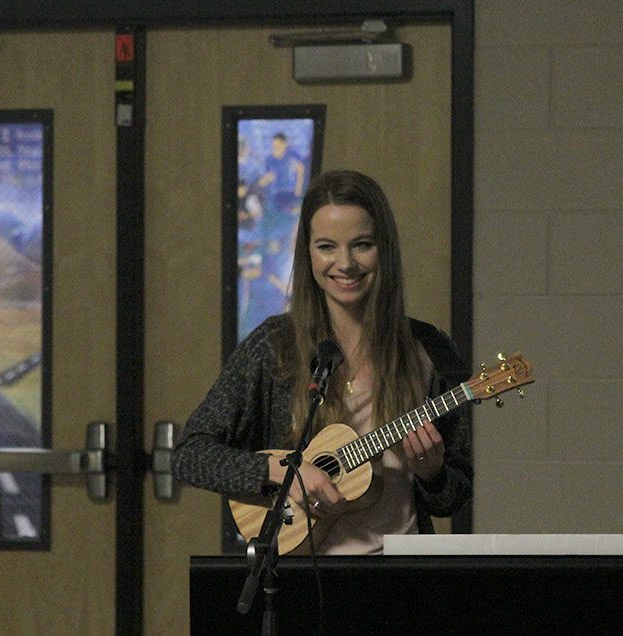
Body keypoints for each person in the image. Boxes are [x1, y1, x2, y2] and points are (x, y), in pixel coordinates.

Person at [171, 169, 472, 555]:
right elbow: (189, 455)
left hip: (401, 575)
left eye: (362, 244)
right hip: (300, 578)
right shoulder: (275, 345)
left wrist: (433, 474)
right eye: (327, 246)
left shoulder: (430, 349)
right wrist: (281, 473)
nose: (345, 263)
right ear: (308, 253)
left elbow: (454, 498)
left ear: (386, 249)